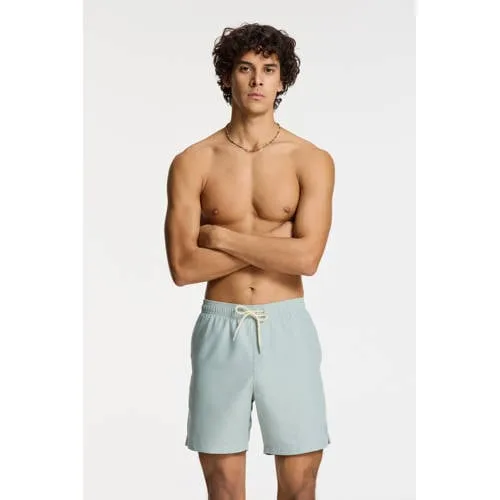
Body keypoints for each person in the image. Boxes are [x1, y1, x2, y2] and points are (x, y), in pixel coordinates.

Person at [164, 22, 335, 500]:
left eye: (269, 69)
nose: (257, 79)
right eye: (245, 68)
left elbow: (307, 257)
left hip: (287, 328)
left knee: (300, 484)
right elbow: (183, 267)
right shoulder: (193, 161)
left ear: (282, 80)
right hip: (221, 328)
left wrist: (220, 237)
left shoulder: (311, 159)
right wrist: (274, 244)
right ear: (227, 77)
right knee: (222, 487)